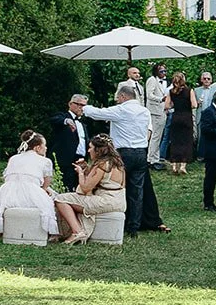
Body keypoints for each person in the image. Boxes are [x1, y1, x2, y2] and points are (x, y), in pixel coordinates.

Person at [82, 86, 168, 235]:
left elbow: (97, 113)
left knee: (117, 186)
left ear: (123, 96)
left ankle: (117, 220)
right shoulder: (145, 111)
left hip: (123, 153)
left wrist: (85, 106)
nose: (117, 100)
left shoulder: (121, 110)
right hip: (141, 152)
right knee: (137, 190)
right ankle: (133, 227)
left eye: (118, 97)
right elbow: (149, 130)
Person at [52, 134, 127, 244]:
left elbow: (86, 188)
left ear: (98, 150)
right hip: (119, 201)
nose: (88, 151)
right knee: (71, 199)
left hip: (106, 201)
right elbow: (99, 181)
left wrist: (80, 173)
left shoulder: (101, 164)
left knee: (61, 199)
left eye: (90, 147)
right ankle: (73, 231)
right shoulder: (116, 163)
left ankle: (77, 231)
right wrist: (87, 168)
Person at [0, 130, 57, 237]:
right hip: (31, 194)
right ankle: (52, 232)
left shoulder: (13, 158)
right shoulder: (45, 161)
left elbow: (7, 178)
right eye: (44, 145)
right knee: (51, 197)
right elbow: (45, 185)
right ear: (37, 147)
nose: (46, 148)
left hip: (8, 194)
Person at [47, 94, 89, 191]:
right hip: (65, 161)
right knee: (64, 188)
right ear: (70, 104)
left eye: (84, 106)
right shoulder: (62, 117)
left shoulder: (83, 123)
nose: (81, 108)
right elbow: (53, 120)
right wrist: (66, 121)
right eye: (79, 105)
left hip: (80, 161)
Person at [165, 72, 197, 176]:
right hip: (186, 117)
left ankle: (174, 164)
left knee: (175, 141)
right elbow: (194, 105)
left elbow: (167, 106)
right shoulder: (189, 90)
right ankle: (183, 165)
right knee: (186, 141)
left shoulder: (171, 91)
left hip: (176, 116)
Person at [144, 64, 169, 167]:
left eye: (165, 71)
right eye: (162, 71)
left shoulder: (164, 82)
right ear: (156, 72)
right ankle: (151, 159)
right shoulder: (152, 80)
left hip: (162, 110)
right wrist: (161, 99)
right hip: (155, 111)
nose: (164, 73)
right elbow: (149, 95)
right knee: (155, 135)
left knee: (158, 136)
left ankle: (155, 157)